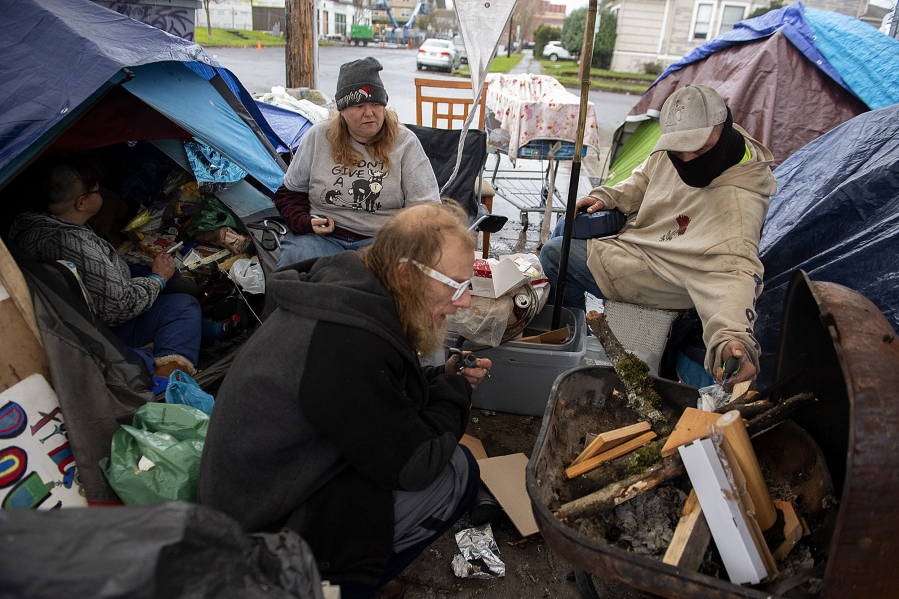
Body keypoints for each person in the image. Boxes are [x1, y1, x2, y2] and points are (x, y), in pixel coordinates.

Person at [198, 202, 491, 599]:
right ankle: (332, 585)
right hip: (257, 528)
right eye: (456, 285)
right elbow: (414, 465)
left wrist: (441, 378)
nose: (465, 301)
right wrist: (456, 393)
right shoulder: (345, 342)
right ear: (405, 274)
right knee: (456, 471)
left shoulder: (351, 292)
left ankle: (355, 569)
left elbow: (377, 393)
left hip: (268, 487)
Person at [540, 85, 777, 390]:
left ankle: (569, 336)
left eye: (700, 148)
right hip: (642, 242)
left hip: (667, 273)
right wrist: (606, 197)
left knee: (554, 254)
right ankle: (579, 332)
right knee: (567, 226)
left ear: (723, 127)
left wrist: (731, 339)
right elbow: (644, 177)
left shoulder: (738, 203)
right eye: (679, 150)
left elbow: (736, 274)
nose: (688, 158)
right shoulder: (683, 148)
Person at [8, 154, 201, 379]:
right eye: (97, 191)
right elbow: (118, 307)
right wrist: (158, 278)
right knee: (183, 304)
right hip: (101, 329)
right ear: (81, 203)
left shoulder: (28, 225)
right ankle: (169, 379)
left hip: (72, 319)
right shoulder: (72, 243)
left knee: (173, 285)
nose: (102, 194)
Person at [274, 56, 441, 267]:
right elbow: (288, 193)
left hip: (381, 243)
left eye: (375, 104)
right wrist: (303, 222)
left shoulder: (405, 143)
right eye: (359, 105)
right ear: (342, 110)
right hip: (322, 239)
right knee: (293, 272)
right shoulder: (318, 137)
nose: (369, 113)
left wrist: (399, 240)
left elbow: (427, 209)